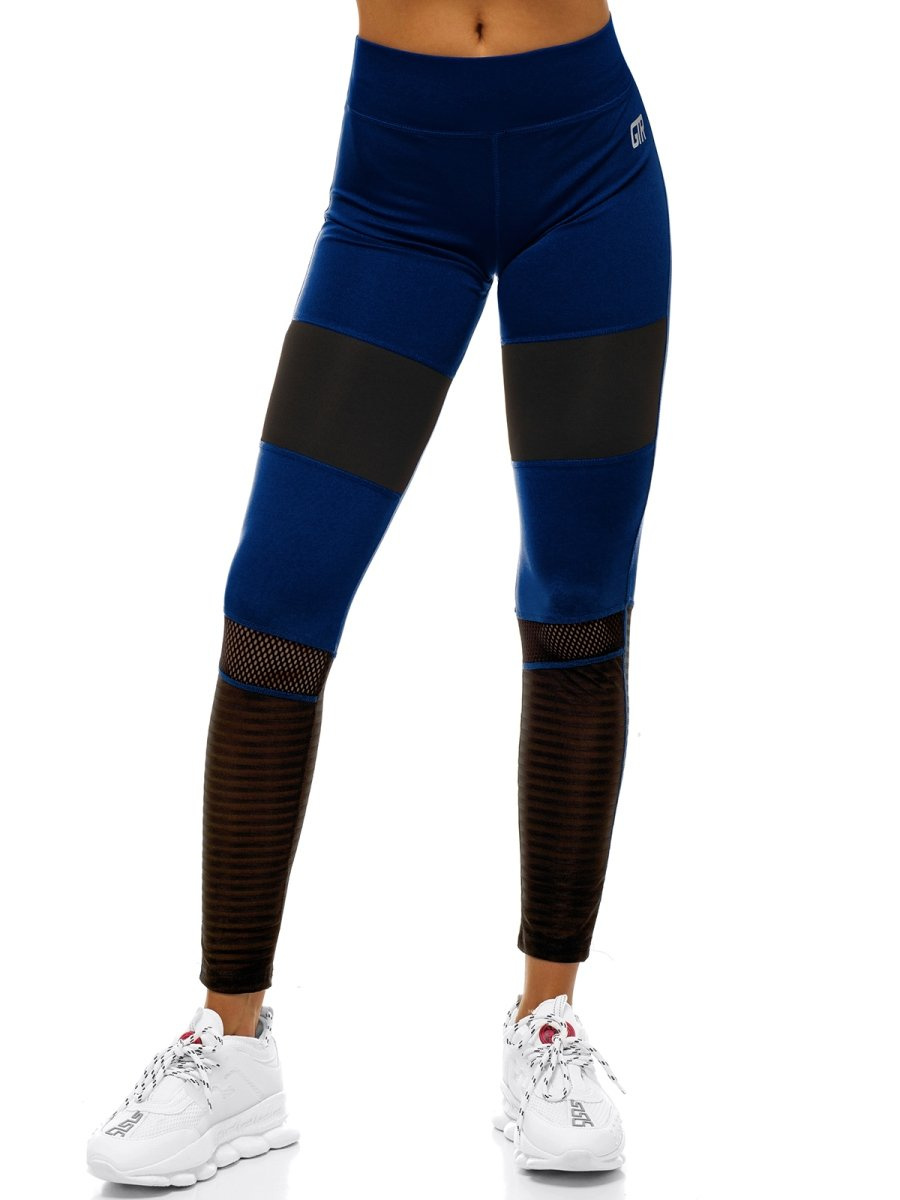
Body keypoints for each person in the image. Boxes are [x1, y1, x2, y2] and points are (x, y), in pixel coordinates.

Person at [86, 0, 671, 1183]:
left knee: (578, 597)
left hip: (590, 169)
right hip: (398, 187)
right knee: (277, 606)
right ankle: (231, 1048)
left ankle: (547, 1023)